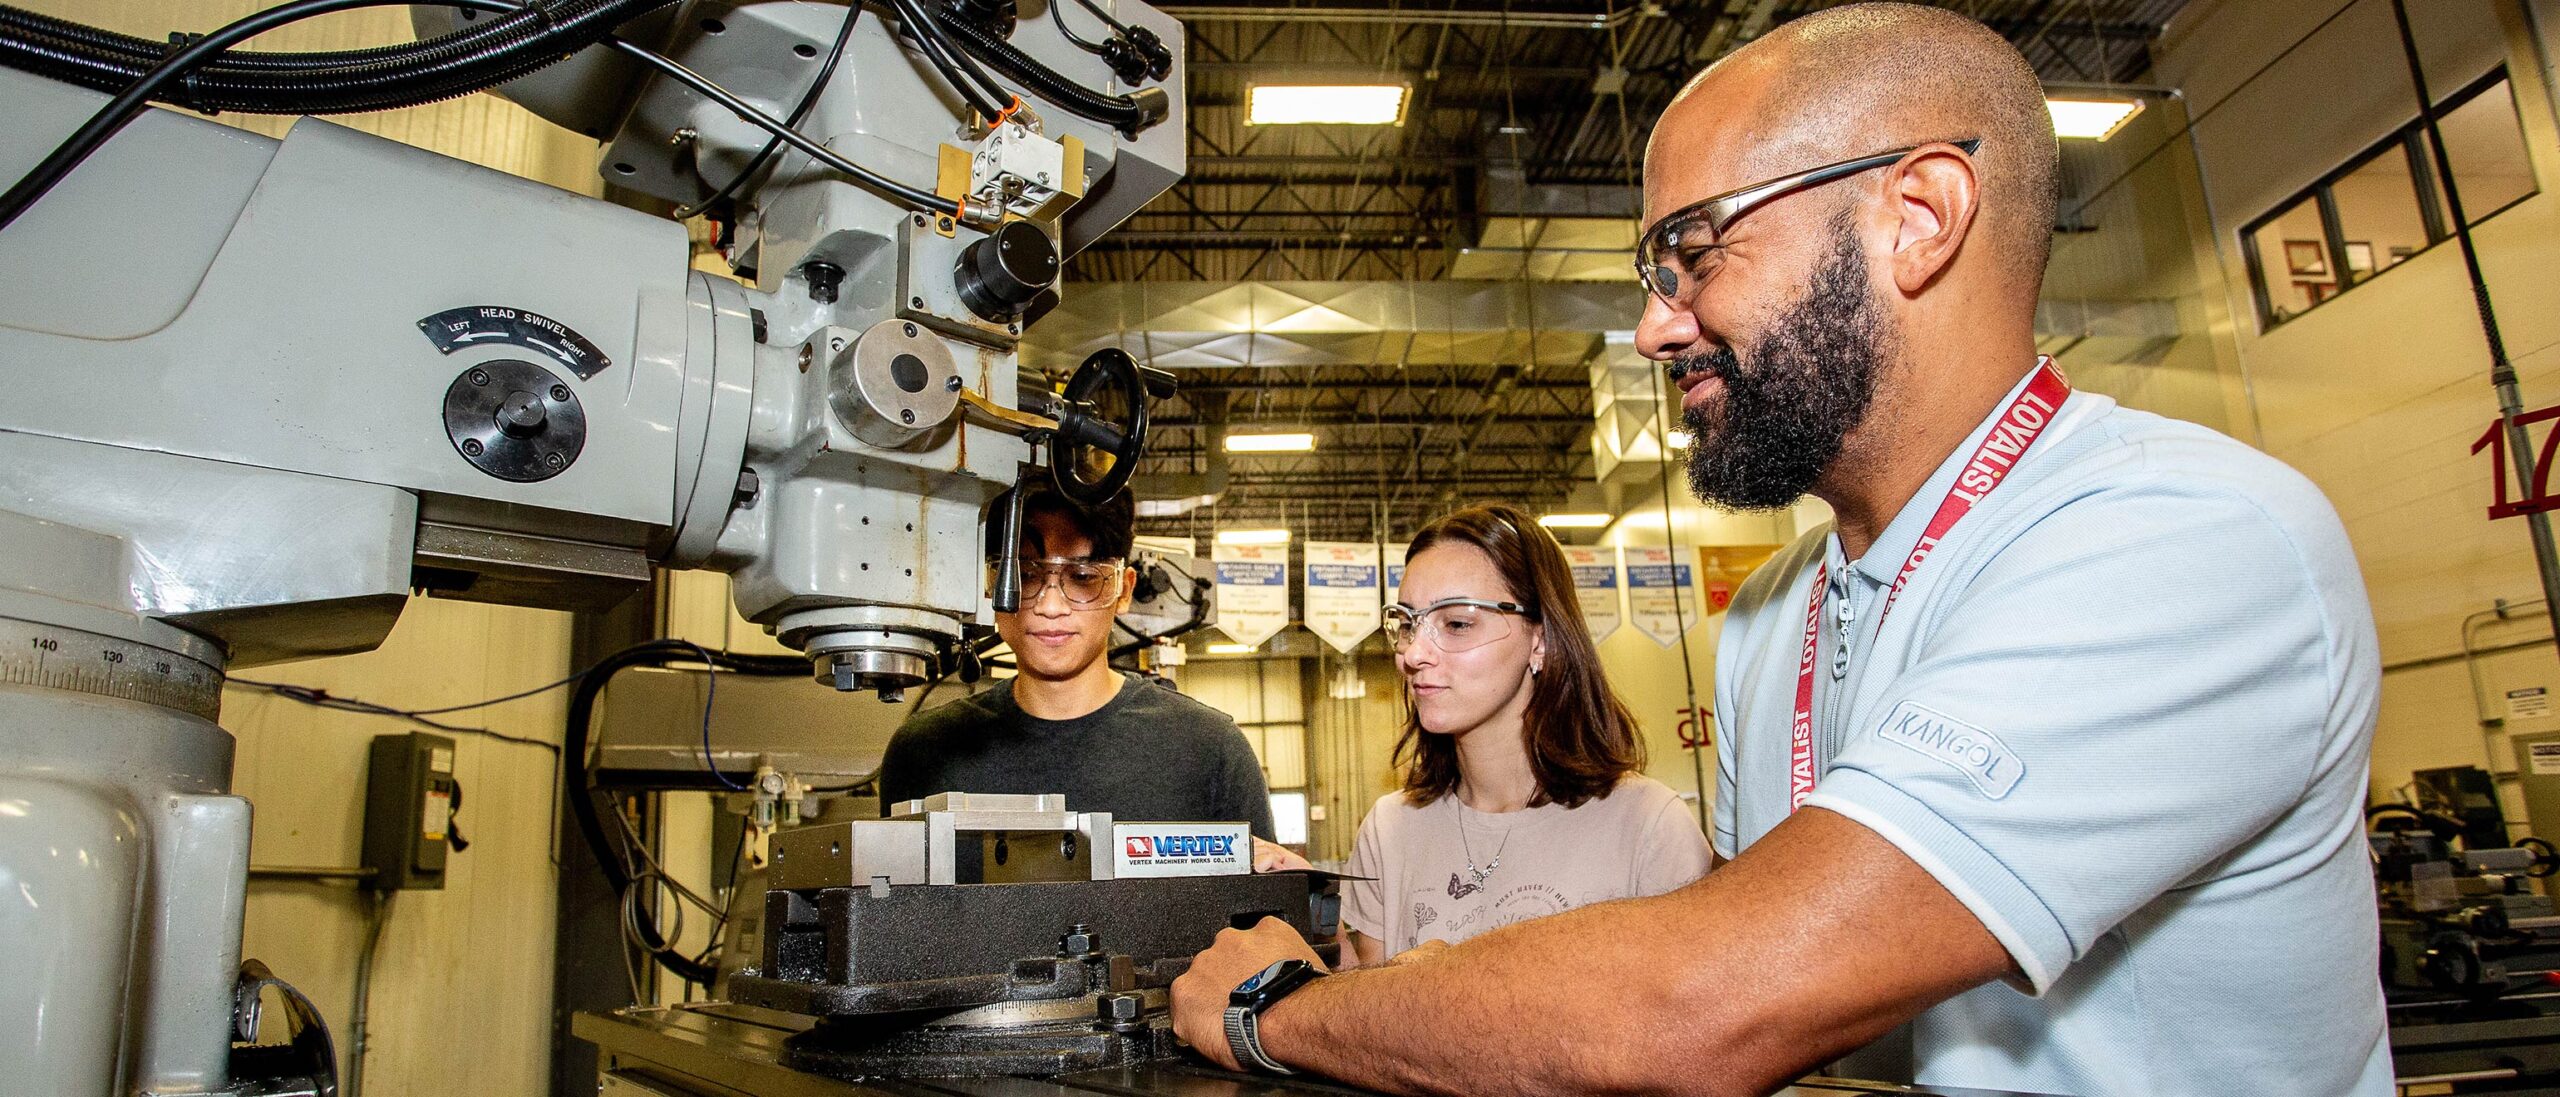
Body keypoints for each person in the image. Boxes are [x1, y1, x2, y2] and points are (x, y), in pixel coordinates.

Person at [1170, 5, 2386, 1095]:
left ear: (1916, 217)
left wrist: (1284, 1007)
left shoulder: (2183, 535)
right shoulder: (1768, 610)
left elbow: (1708, 1000)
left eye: (1695, 250)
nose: (1654, 324)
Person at [1342, 503, 1708, 966]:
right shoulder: (1389, 831)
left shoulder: (1647, 826)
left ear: (1540, 639)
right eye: (1408, 623)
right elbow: (1367, 1024)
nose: (1414, 653)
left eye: (1456, 624)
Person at [879, 484, 1300, 871]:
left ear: (1124, 588)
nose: (1050, 606)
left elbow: (1265, 928)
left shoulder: (1209, 751)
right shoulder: (924, 753)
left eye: (1082, 578)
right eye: (1025, 575)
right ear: (992, 584)